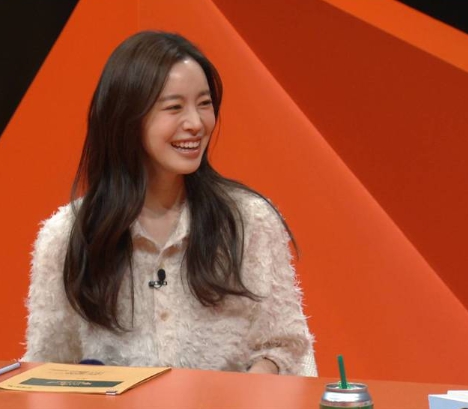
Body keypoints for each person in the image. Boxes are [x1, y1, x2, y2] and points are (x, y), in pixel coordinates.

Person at [22, 30, 317, 376]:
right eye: (174, 107)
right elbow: (45, 368)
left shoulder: (248, 220)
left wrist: (252, 383)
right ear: (127, 119)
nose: (196, 123)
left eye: (204, 104)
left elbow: (285, 347)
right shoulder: (67, 235)